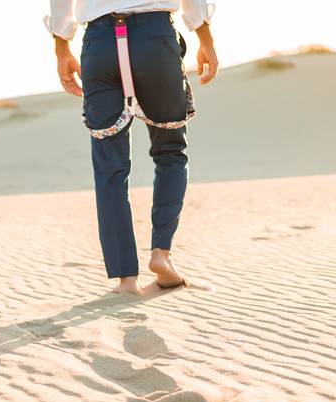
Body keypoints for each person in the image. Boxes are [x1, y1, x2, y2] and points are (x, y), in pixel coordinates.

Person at [45, 1, 218, 294]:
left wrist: (62, 47)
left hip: (100, 43)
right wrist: (205, 39)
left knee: (109, 165)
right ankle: (161, 254)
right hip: (155, 36)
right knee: (171, 151)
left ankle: (126, 279)